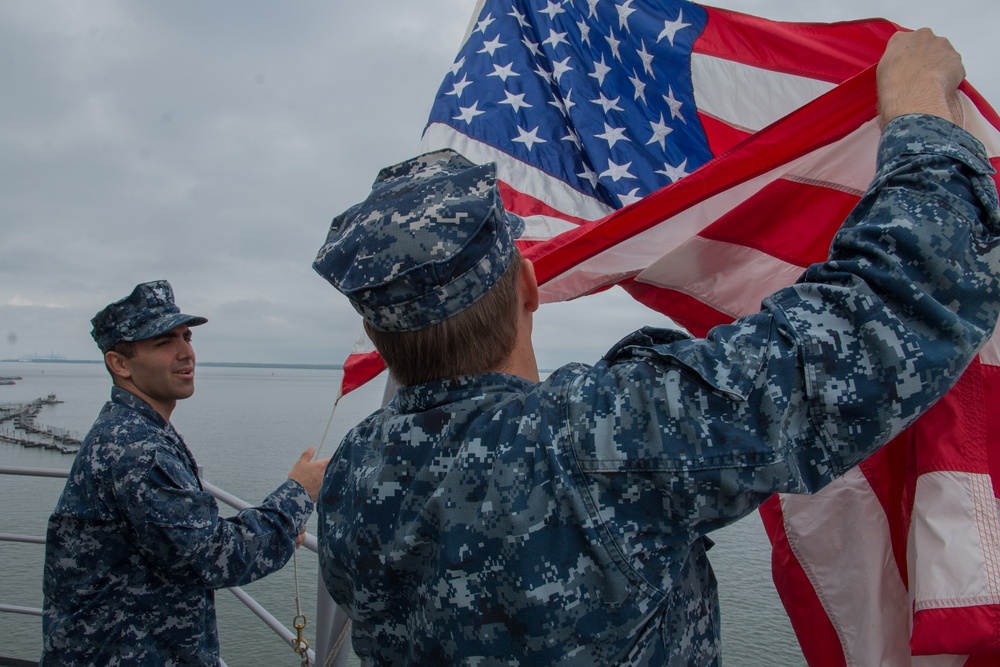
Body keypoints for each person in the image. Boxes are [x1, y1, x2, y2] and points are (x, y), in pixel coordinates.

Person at [311, 29, 1000, 666]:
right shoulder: (598, 440)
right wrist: (916, 108)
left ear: (377, 332)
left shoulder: (348, 482)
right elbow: (884, 316)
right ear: (528, 284)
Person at [40, 280, 330, 665]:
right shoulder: (137, 449)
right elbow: (216, 555)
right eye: (164, 343)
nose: (186, 352)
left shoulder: (129, 428)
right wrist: (298, 494)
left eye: (186, 336)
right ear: (120, 364)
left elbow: (182, 536)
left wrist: (276, 526)